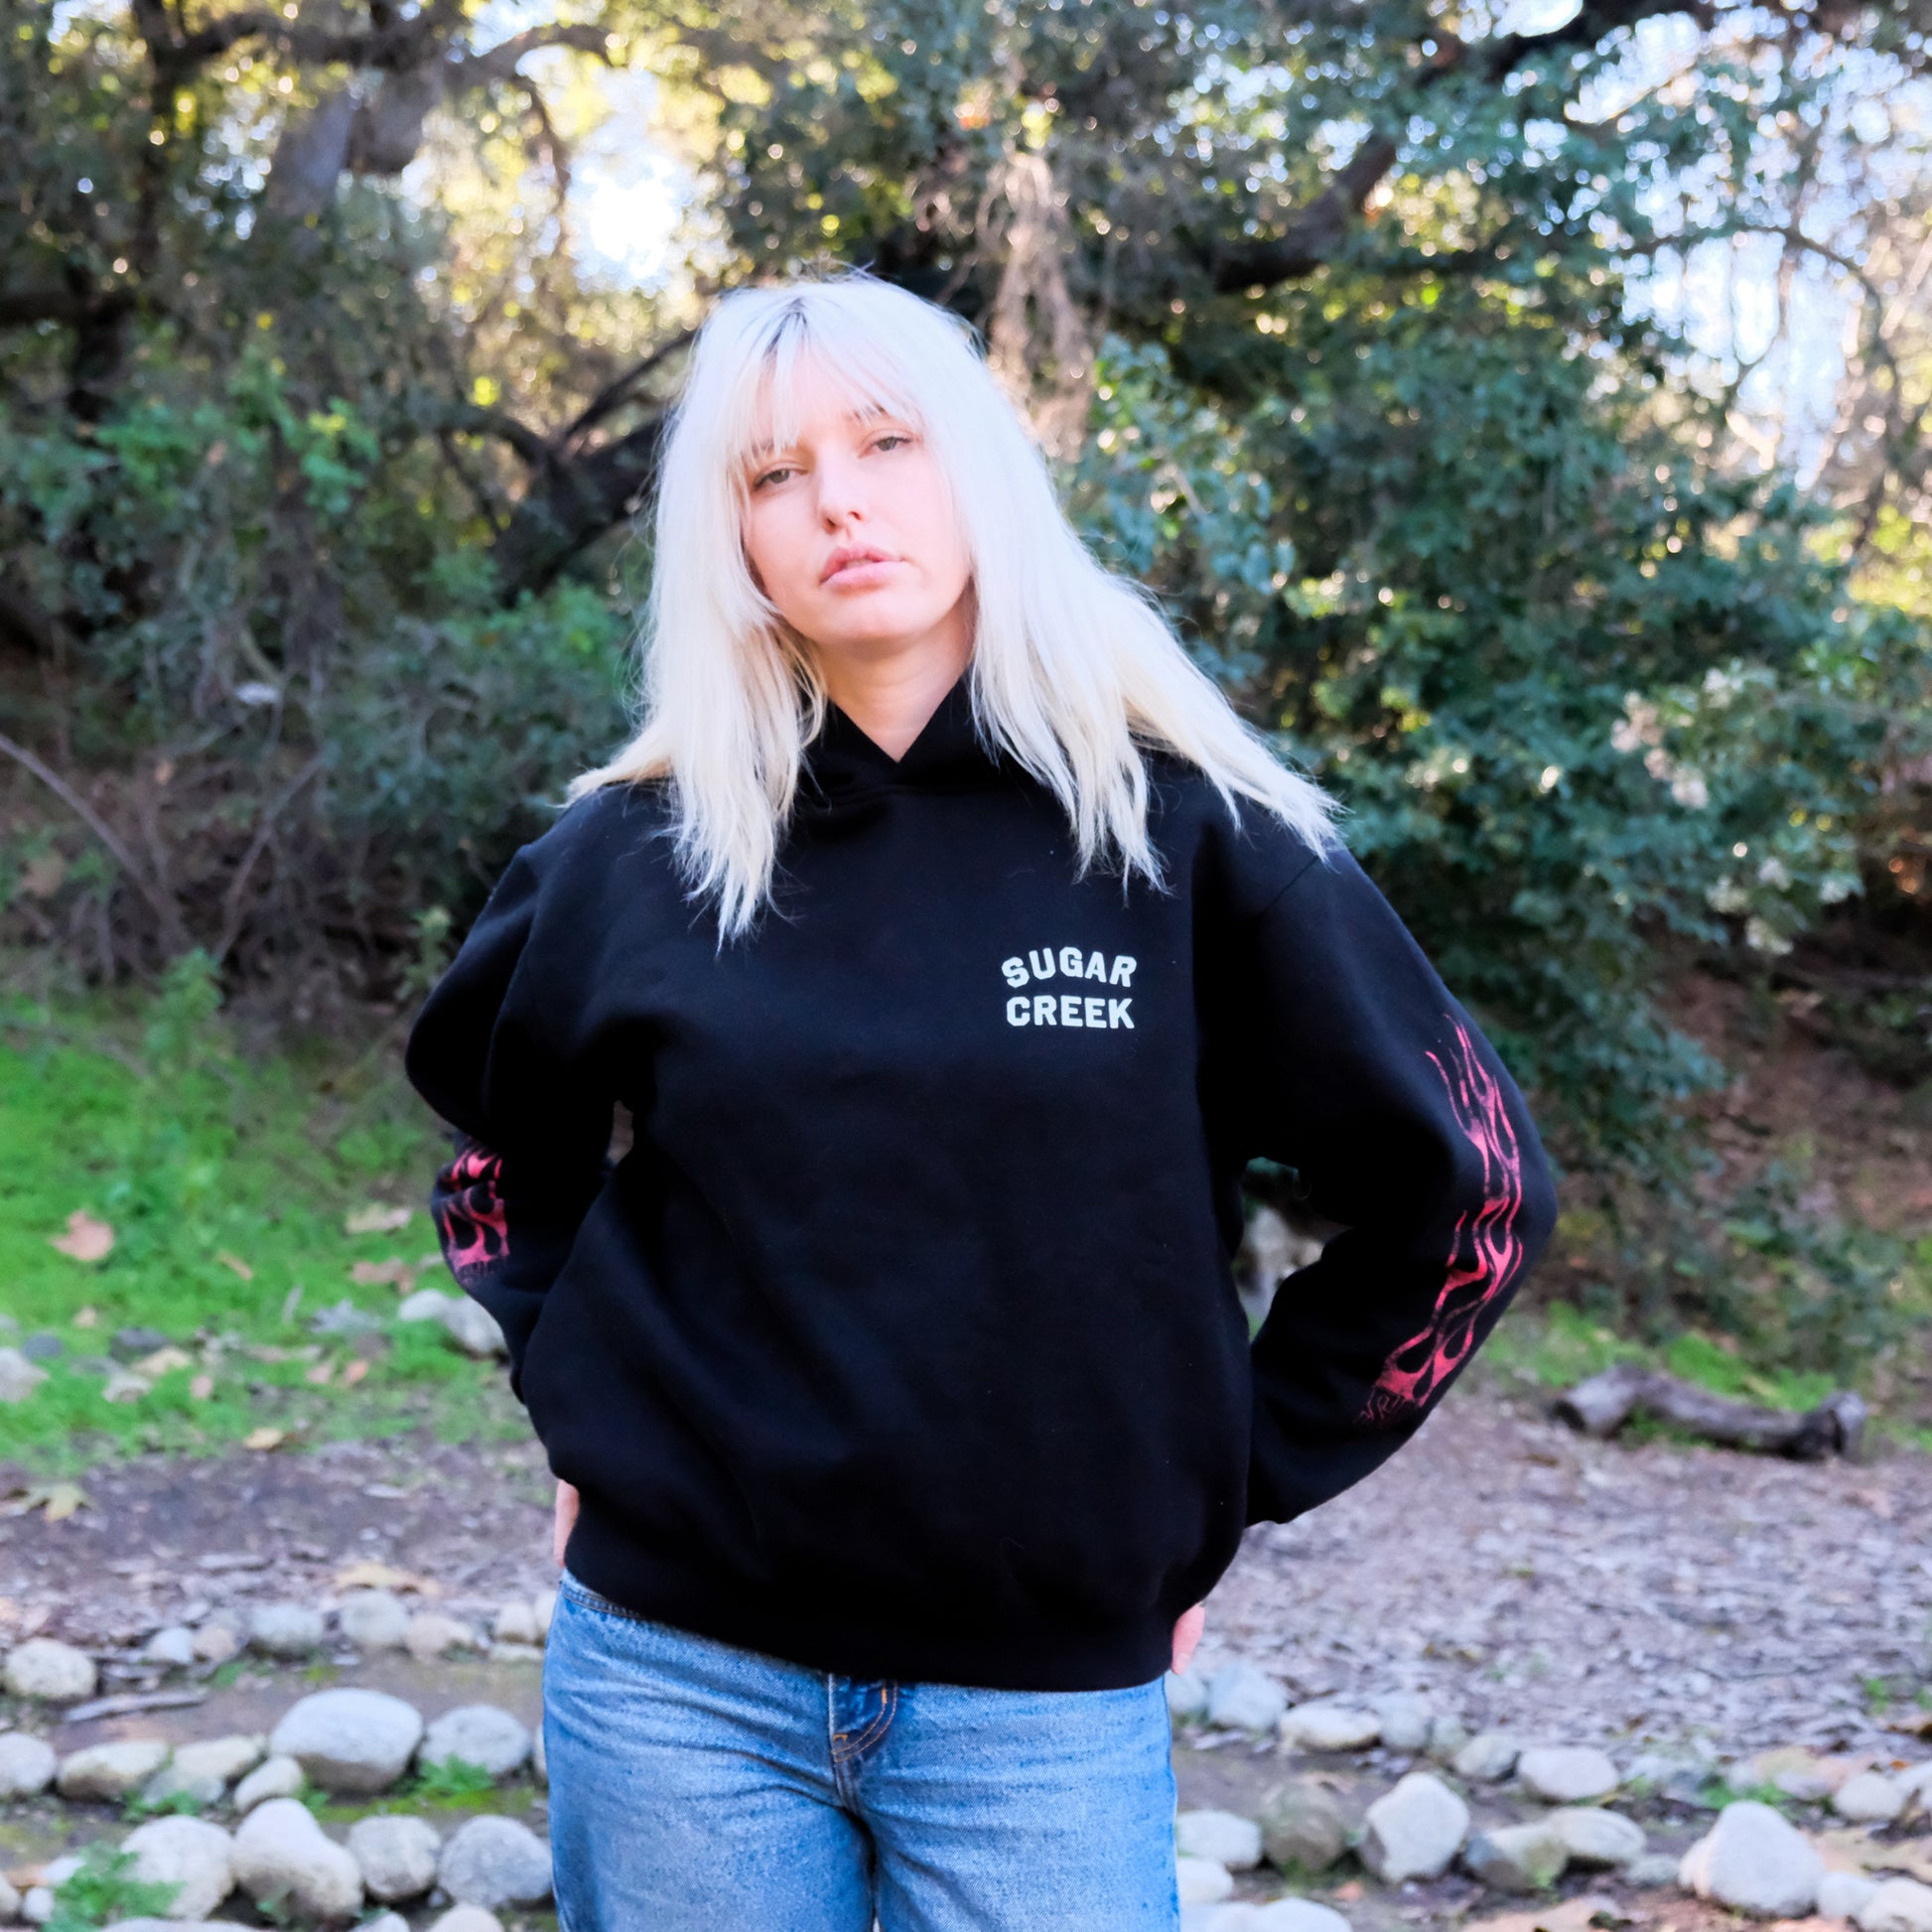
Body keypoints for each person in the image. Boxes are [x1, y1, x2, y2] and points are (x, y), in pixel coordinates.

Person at [402, 267, 1560, 1931]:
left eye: (885, 441)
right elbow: (502, 1151)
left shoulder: (1185, 836)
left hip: (1040, 1708)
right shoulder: (637, 853)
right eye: (773, 470)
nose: (838, 501)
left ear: (979, 468)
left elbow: (1473, 1192)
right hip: (674, 1675)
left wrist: (1219, 1476)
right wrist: (575, 1391)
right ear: (729, 533)